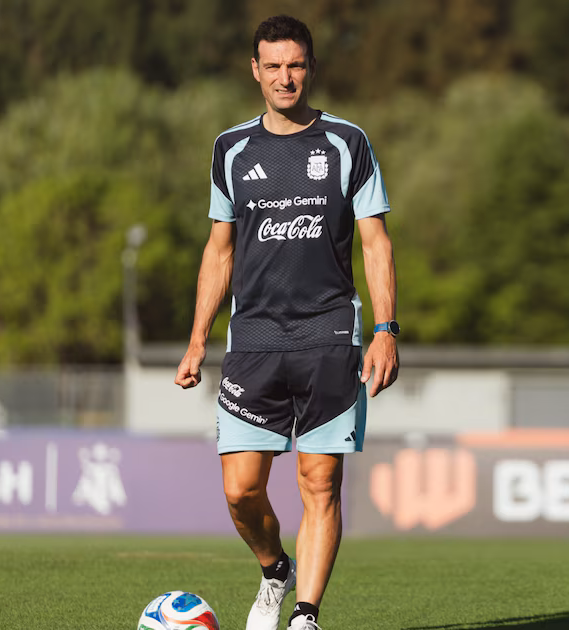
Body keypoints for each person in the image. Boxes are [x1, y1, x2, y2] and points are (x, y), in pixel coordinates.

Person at [173, 14, 399, 630]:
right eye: (272, 66)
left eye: (295, 64)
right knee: (240, 490)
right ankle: (276, 570)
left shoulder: (348, 143)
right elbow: (219, 251)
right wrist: (196, 339)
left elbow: (375, 242)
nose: (284, 77)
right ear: (255, 71)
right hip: (253, 339)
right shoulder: (231, 149)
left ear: (312, 68)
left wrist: (385, 329)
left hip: (331, 334)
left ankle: (305, 616)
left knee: (319, 481)